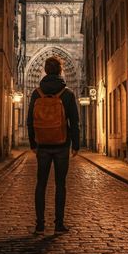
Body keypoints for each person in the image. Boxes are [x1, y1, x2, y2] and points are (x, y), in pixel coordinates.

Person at [27, 55, 80, 235]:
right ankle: (58, 224)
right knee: (60, 185)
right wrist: (76, 145)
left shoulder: (36, 92)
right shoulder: (68, 93)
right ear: (60, 71)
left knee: (40, 184)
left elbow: (30, 120)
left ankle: (40, 224)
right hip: (62, 144)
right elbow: (74, 121)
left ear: (44, 70)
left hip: (42, 144)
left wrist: (33, 143)